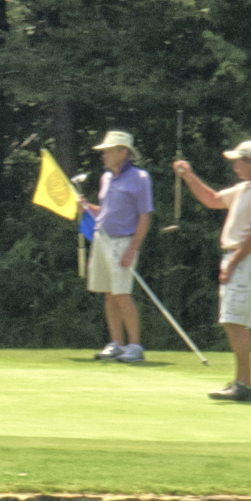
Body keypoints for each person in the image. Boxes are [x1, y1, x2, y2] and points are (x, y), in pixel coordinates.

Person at [173, 138, 251, 402]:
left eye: (238, 161)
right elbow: (212, 199)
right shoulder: (245, 188)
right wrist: (189, 176)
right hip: (240, 258)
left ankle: (244, 384)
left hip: (247, 258)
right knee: (233, 320)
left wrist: (232, 262)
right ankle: (241, 382)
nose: (234, 166)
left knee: (236, 321)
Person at [86, 129, 153, 362]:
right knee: (109, 294)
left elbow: (145, 216)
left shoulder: (140, 178)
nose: (103, 154)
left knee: (122, 293)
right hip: (102, 238)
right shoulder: (106, 177)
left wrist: (133, 248)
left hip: (124, 241)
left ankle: (135, 346)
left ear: (122, 152)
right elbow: (105, 211)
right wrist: (87, 207)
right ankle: (116, 343)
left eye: (108, 150)